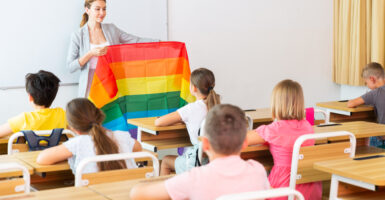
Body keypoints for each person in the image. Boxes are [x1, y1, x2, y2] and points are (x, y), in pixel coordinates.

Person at [130, 104, 270, 200]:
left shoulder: (194, 178)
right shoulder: (257, 171)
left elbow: (137, 194)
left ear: (205, 144)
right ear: (245, 143)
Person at [247, 79, 322, 200]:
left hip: (283, 190)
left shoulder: (274, 130)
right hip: (311, 191)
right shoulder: (307, 126)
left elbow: (243, 139)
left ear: (276, 104)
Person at [67, 0, 159, 97]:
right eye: (97, 9)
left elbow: (135, 40)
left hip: (111, 85)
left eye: (104, 9)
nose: (102, 13)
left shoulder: (112, 29)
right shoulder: (77, 35)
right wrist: (91, 53)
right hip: (90, 89)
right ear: (87, 10)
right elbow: (70, 67)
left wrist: (159, 42)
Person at [37, 98, 142, 174]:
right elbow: (138, 147)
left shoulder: (77, 143)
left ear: (74, 129)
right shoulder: (121, 135)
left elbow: (42, 159)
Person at [155, 68, 220, 175]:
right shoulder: (219, 106)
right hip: (215, 159)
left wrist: (181, 120)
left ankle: (167, 190)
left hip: (198, 161)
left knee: (166, 161)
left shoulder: (191, 109)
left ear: (193, 88)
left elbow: (159, 122)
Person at [0, 70, 66, 138]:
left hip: (31, 149)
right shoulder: (62, 114)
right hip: (55, 148)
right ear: (54, 95)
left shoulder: (24, 119)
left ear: (30, 97)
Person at [348, 62, 385, 147]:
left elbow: (351, 104)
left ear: (372, 79)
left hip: (383, 139)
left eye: (366, 83)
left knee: (372, 133)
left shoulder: (375, 93)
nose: (367, 86)